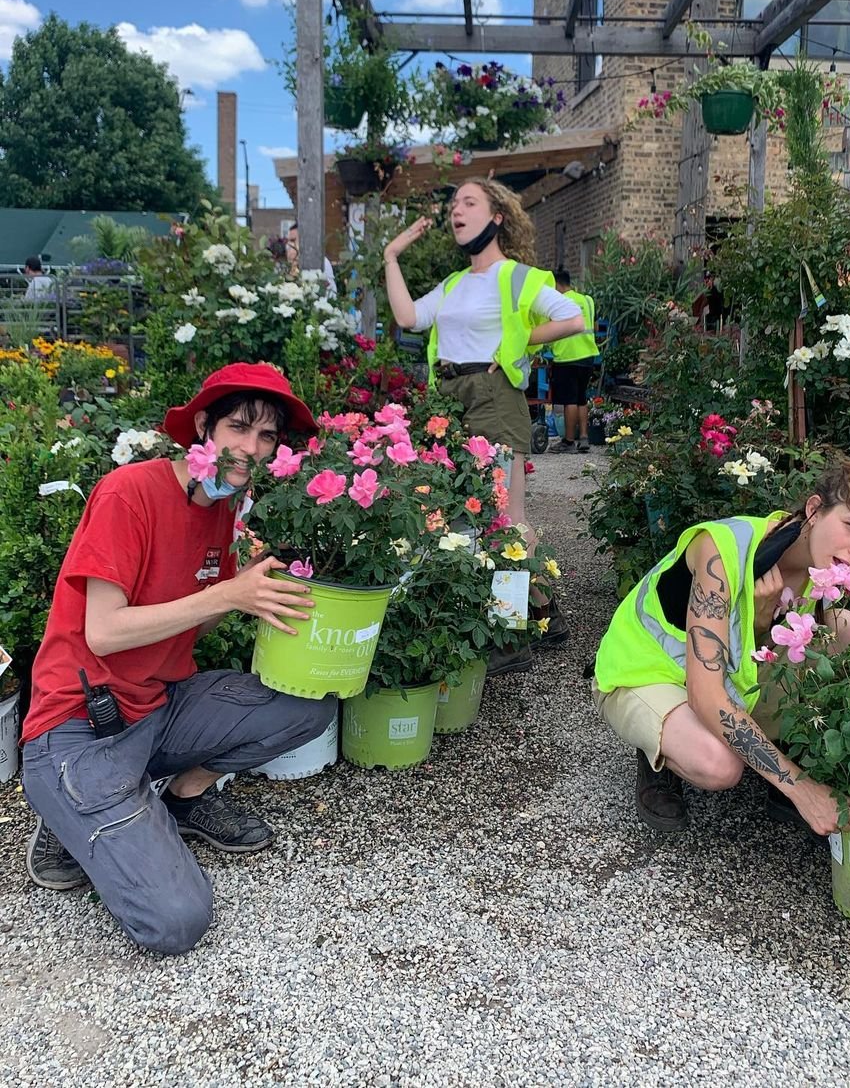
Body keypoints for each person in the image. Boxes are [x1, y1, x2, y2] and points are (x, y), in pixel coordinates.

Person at [20, 363, 335, 955]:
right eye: (239, 427)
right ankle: (71, 811)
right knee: (177, 922)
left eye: (267, 437)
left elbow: (195, 611)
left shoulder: (219, 506)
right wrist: (227, 593)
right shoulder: (129, 492)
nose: (251, 448)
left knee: (307, 707)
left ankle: (180, 798)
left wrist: (247, 598)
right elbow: (105, 632)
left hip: (158, 705)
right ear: (202, 427)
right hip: (79, 724)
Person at [592, 459, 850, 835]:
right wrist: (801, 788)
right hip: (644, 671)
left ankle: (789, 754)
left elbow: (752, 649)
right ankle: (660, 751)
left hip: (717, 673)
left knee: (845, 631)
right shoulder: (722, 549)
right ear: (814, 509)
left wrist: (764, 622)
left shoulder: (822, 566)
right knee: (719, 763)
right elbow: (707, 696)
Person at [383, 178, 584, 667]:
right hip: (450, 400)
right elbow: (409, 317)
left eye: (469, 202)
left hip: (493, 395)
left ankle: (511, 637)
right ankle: (542, 609)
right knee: (466, 513)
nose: (457, 210)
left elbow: (574, 317)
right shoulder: (453, 284)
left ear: (496, 217)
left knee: (503, 517)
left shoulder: (514, 276)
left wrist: (515, 344)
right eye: (454, 204)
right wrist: (391, 255)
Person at [548, 267, 600, 454]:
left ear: (557, 284)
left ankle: (569, 441)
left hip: (567, 357)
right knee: (581, 398)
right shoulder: (587, 300)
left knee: (569, 399)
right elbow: (594, 325)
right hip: (587, 356)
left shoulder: (558, 302)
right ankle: (584, 438)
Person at [285, 222, 338, 297]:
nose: (289, 246)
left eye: (293, 240)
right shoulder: (290, 265)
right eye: (289, 241)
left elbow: (331, 294)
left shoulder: (321, 262)